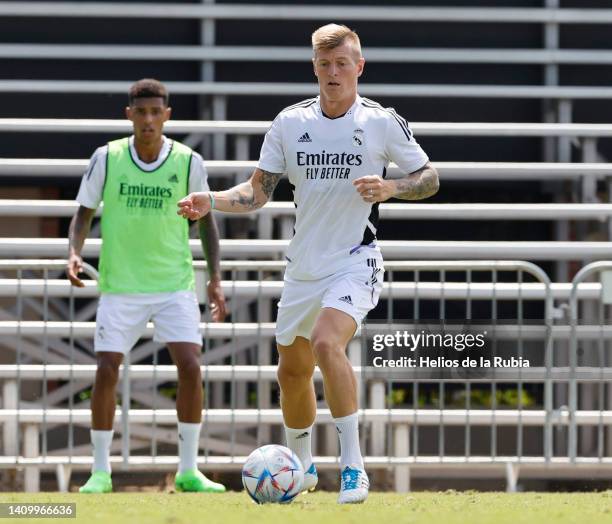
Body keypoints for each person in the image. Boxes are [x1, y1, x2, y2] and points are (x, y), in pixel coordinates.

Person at [177, 24, 439, 504]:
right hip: (303, 268)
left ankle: (354, 469)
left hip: (355, 259)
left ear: (359, 67)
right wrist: (210, 200)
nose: (333, 73)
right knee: (291, 372)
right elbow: (258, 191)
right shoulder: (289, 123)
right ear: (314, 68)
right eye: (324, 64)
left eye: (342, 64)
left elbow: (429, 176)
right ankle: (300, 468)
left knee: (325, 341)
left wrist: (392, 187)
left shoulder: (381, 122)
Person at [67, 78, 227, 494]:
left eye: (157, 112)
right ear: (130, 115)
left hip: (173, 283)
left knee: (191, 367)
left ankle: (189, 470)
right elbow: (83, 213)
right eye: (142, 112)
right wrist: (74, 252)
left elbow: (207, 222)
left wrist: (214, 278)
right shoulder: (108, 157)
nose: (149, 120)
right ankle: (100, 471)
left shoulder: (189, 160)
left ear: (167, 116)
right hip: (121, 285)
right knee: (105, 370)